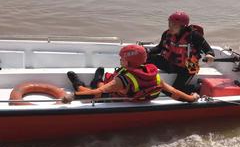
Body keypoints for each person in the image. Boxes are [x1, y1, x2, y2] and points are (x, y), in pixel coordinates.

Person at [65, 44, 199, 103]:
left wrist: (72, 97)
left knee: (91, 87)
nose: (120, 59)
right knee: (101, 83)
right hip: (134, 95)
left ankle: (79, 82)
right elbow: (174, 92)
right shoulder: (156, 77)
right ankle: (98, 77)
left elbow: (96, 93)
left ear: (128, 62)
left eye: (122, 58)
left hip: (118, 96)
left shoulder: (122, 80)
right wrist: (192, 98)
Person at [147, 11, 215, 93]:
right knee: (144, 58)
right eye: (170, 24)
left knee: (177, 90)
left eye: (174, 25)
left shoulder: (194, 36)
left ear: (183, 26)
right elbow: (160, 47)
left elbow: (208, 49)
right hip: (170, 62)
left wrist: (209, 55)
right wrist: (147, 51)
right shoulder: (166, 34)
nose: (170, 27)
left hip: (189, 66)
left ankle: (199, 88)